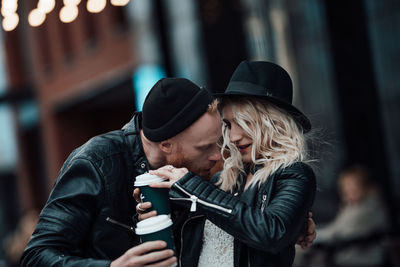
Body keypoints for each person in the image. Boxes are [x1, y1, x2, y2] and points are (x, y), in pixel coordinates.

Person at [21, 77, 315, 266]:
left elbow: (238, 216)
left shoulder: (201, 170)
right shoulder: (98, 162)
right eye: (204, 148)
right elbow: (36, 256)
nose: (219, 156)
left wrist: (294, 216)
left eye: (219, 141)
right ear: (167, 145)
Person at [146, 61, 317, 267]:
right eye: (228, 125)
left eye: (244, 123)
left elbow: (272, 233)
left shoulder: (295, 174)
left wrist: (193, 190)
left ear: (273, 122)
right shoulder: (224, 180)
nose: (233, 136)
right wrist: (154, 206)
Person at [295, 164, 390, 267]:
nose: (347, 192)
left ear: (363, 186)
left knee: (301, 252)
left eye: (351, 187)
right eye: (345, 188)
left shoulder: (367, 209)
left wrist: (312, 234)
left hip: (356, 258)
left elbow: (337, 233)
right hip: (346, 253)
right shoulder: (355, 207)